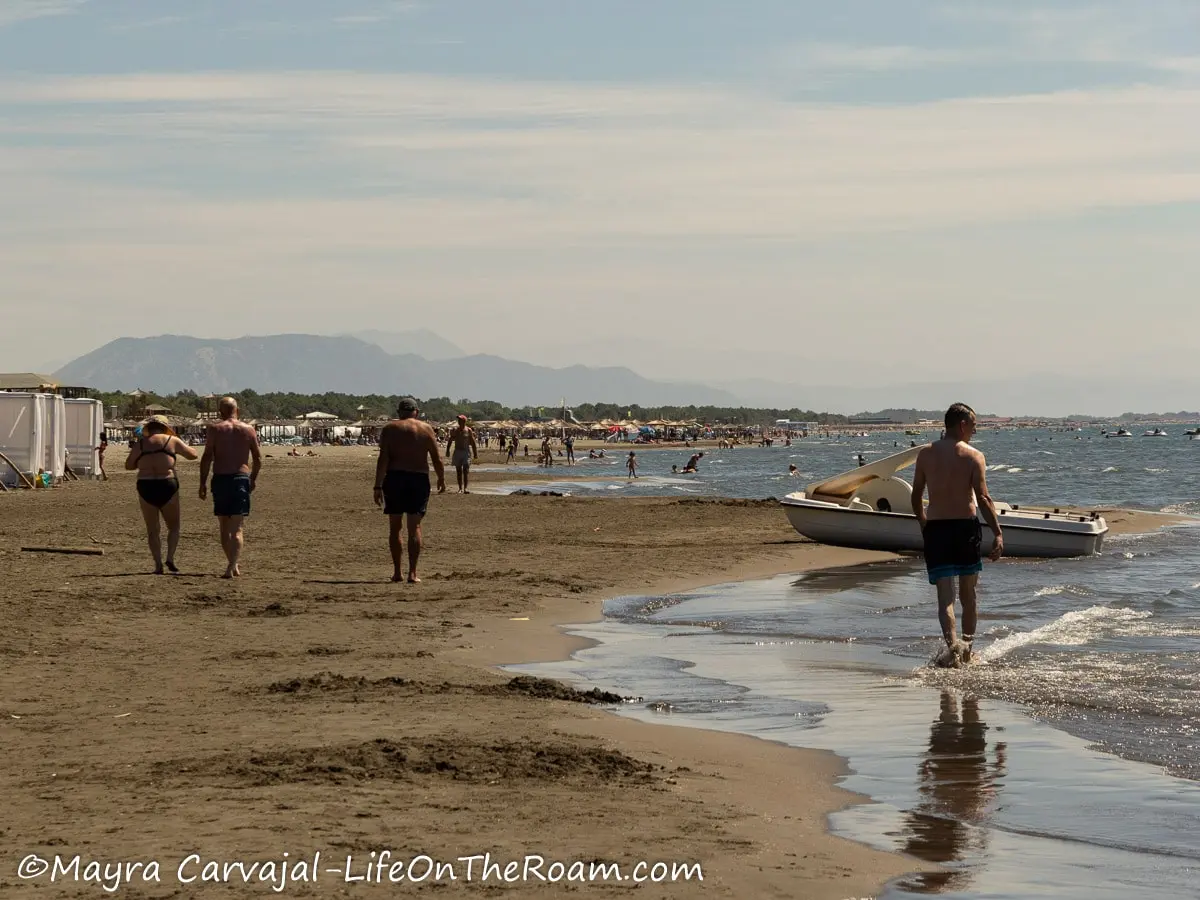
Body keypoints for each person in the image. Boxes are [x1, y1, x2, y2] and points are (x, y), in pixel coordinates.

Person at [911, 403, 1003, 663]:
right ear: (962, 424)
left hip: (937, 528)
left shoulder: (926, 454)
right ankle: (967, 653)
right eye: (973, 426)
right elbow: (983, 499)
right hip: (964, 528)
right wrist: (997, 532)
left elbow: (916, 494)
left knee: (945, 597)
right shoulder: (974, 456)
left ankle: (953, 649)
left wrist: (922, 522)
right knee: (968, 596)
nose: (974, 431)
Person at [374, 397, 446, 583]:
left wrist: (378, 485)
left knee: (395, 527)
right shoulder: (426, 429)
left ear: (399, 412)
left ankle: (397, 572)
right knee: (414, 527)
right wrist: (441, 479)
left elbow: (383, 459)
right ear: (417, 411)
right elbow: (437, 458)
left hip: (395, 478)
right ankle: (412, 573)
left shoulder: (390, 429)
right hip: (418, 479)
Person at [125, 415, 198, 574]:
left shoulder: (140, 444)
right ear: (164, 427)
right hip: (167, 484)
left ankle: (158, 564)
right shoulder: (171, 440)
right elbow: (193, 455)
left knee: (152, 529)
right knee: (174, 526)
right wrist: (177, 445)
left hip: (146, 485)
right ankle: (170, 557)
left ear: (148, 428)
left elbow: (128, 465)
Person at [199, 397, 262, 579]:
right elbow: (257, 459)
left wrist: (202, 483)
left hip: (220, 479)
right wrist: (253, 479)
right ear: (238, 410)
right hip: (240, 478)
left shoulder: (215, 429)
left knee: (224, 527)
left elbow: (207, 457)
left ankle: (232, 564)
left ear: (220, 412)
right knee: (237, 528)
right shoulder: (248, 429)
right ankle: (232, 564)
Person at [445, 414, 478, 493]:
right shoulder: (455, 430)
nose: (459, 421)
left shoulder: (469, 430)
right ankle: (460, 488)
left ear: (464, 421)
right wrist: (447, 450)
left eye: (460, 420)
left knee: (466, 470)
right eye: (458, 420)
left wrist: (475, 453)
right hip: (457, 452)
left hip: (466, 452)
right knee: (458, 471)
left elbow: (473, 442)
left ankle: (465, 488)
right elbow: (450, 440)